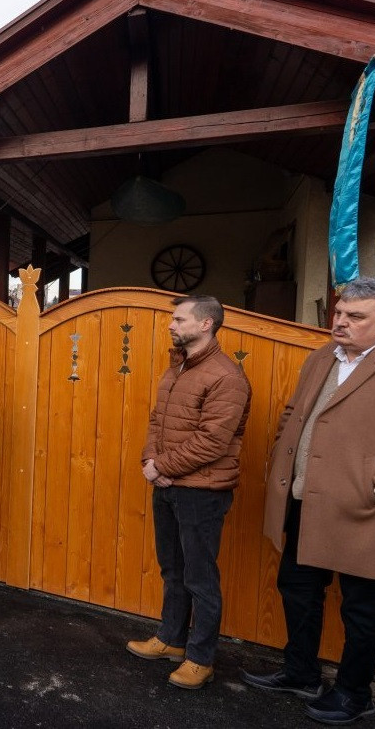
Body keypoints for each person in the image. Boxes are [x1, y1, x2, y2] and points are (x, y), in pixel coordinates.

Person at [242, 278, 375, 725]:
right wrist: (283, 455)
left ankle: (354, 694)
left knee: (361, 607)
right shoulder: (322, 357)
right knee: (298, 591)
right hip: (304, 502)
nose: (340, 322)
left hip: (368, 512)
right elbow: (294, 413)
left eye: (355, 316)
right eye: (339, 313)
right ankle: (301, 673)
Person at [126, 296, 251, 690]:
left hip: (202, 492)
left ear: (206, 324)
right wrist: (152, 461)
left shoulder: (226, 377)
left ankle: (200, 659)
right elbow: (157, 422)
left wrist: (161, 466)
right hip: (168, 485)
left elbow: (212, 441)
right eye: (172, 319)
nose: (171, 325)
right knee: (173, 569)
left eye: (180, 319)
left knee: (200, 577)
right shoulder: (177, 367)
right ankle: (171, 639)